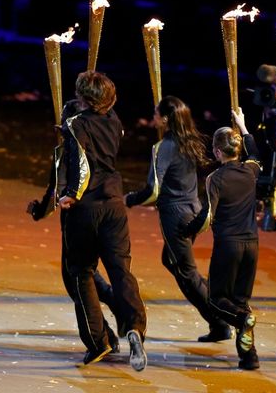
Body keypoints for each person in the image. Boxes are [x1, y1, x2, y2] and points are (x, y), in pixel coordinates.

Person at [58, 71, 147, 371]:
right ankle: (135, 325)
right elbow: (94, 109)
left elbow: (81, 165)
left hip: (87, 208)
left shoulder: (75, 125)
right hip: (115, 204)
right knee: (121, 271)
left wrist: (70, 194)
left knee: (81, 272)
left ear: (84, 100)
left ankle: (98, 341)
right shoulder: (115, 122)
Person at [125, 95, 233, 343]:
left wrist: (130, 199)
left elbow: (153, 190)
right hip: (193, 210)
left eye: (156, 113)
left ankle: (220, 320)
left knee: (187, 273)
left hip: (176, 216)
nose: (153, 117)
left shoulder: (164, 147)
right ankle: (218, 317)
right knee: (171, 261)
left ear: (165, 119)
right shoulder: (189, 141)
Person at [26, 98, 121, 351]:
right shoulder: (104, 140)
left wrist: (37, 210)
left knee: (77, 278)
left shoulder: (67, 152)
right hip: (110, 211)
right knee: (88, 274)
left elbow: (56, 190)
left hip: (79, 219)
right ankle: (111, 323)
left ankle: (99, 338)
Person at [185, 107, 262, 370]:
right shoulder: (250, 171)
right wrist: (243, 125)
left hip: (228, 244)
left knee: (218, 301)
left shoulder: (215, 178)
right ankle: (249, 357)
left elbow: (207, 215)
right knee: (241, 300)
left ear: (218, 152)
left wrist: (187, 230)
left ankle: (241, 321)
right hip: (252, 244)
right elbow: (255, 153)